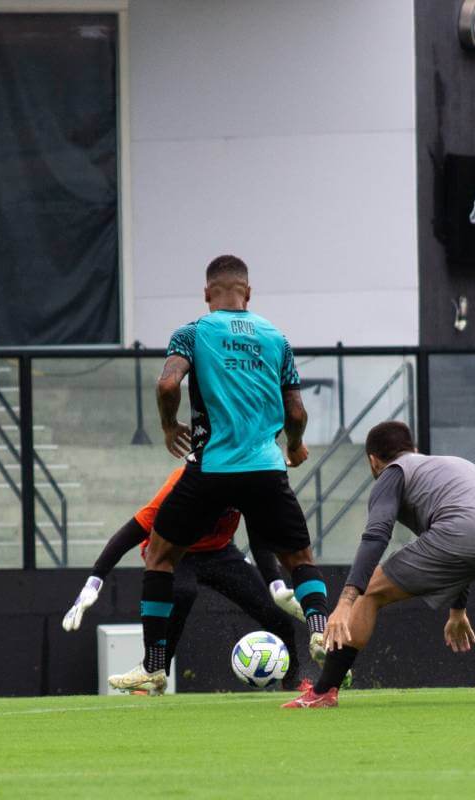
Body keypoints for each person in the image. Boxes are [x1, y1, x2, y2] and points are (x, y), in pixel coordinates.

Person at [108, 255, 330, 695]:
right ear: (248, 293)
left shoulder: (192, 333)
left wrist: (171, 426)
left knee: (160, 556)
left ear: (207, 293)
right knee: (300, 560)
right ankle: (321, 631)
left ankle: (154, 668)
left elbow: (168, 385)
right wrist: (295, 444)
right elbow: (297, 411)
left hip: (212, 470)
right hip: (266, 469)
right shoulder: (276, 338)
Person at [283, 420, 475, 709]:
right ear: (413, 449)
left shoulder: (392, 474)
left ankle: (324, 691)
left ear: (373, 461)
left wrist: (346, 601)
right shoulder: (447, 464)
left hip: (464, 534)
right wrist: (458, 608)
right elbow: (467, 540)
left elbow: (377, 536)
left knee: (370, 591)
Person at [63, 466, 309, 692]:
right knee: (183, 592)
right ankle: (154, 671)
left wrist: (275, 583)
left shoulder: (244, 479)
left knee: (275, 614)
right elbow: (131, 532)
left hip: (219, 552)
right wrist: (94, 581)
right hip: (174, 552)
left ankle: (293, 681)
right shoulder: (184, 483)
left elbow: (260, 533)